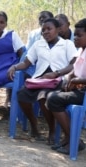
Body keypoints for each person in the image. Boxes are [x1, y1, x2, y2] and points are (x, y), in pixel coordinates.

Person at [7, 18, 77, 145]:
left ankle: (52, 129)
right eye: (43, 30)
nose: (45, 32)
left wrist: (57, 73)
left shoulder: (67, 44)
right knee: (21, 94)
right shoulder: (38, 44)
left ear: (57, 29)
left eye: (49, 29)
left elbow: (73, 64)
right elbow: (26, 63)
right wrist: (14, 67)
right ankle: (34, 124)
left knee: (43, 96)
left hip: (58, 80)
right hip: (39, 80)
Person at [46, 18, 86, 154]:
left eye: (79, 35)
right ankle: (69, 137)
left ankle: (74, 140)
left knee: (53, 99)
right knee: (51, 95)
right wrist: (70, 77)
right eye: (74, 35)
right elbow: (74, 69)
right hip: (78, 91)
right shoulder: (81, 51)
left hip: (84, 94)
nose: (75, 38)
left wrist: (75, 81)